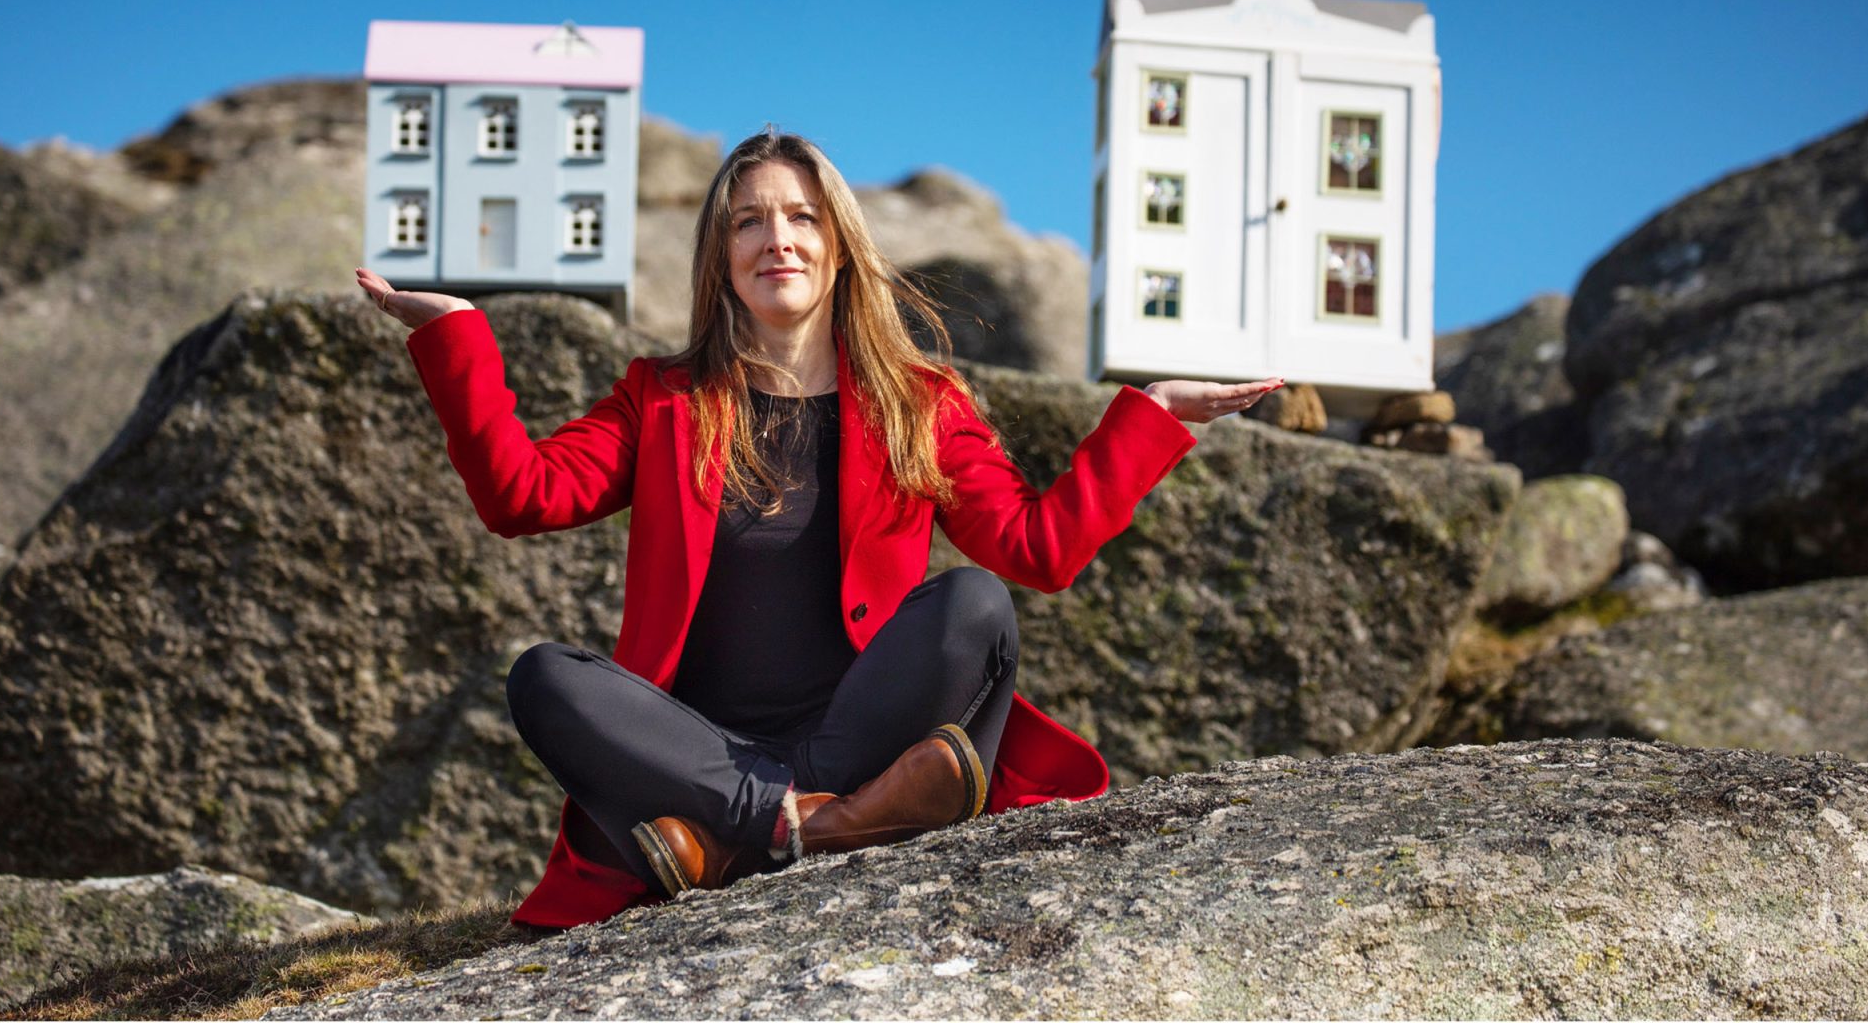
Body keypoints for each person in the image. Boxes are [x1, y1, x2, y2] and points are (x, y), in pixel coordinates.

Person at [355, 129, 1281, 930]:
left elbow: (1037, 553)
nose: (777, 240)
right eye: (749, 221)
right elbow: (523, 496)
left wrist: (1155, 417)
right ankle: (817, 824)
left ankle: (747, 840)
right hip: (701, 752)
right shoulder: (663, 399)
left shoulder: (918, 404)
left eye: (801, 218)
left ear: (838, 245)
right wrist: (457, 333)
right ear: (720, 256)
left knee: (975, 602)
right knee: (545, 678)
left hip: (860, 738)